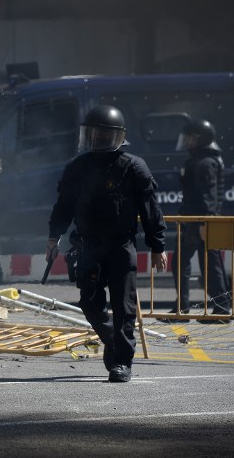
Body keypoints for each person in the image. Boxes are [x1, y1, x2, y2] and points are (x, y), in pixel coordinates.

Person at [46, 105, 167, 383]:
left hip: (120, 247)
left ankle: (121, 363)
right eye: (93, 133)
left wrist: (157, 245)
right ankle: (114, 342)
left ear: (117, 136)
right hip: (88, 247)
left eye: (103, 134)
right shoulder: (77, 167)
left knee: (124, 308)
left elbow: (150, 210)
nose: (97, 138)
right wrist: (53, 237)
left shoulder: (133, 168)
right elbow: (63, 206)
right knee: (90, 305)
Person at [167, 118, 231, 322]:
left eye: (190, 138)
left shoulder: (204, 163)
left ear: (200, 139)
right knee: (209, 265)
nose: (186, 142)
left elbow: (207, 197)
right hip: (200, 221)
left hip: (199, 222)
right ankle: (219, 308)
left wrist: (203, 223)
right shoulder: (202, 160)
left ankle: (184, 309)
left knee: (183, 263)